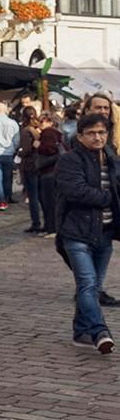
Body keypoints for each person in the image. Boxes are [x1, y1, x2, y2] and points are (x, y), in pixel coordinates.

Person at [54, 113, 119, 354]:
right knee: (88, 284)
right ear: (80, 136)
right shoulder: (70, 160)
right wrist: (107, 199)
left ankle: (81, 332)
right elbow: (75, 191)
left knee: (93, 286)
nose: (97, 137)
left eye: (101, 132)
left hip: (104, 233)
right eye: (91, 133)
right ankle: (100, 331)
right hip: (76, 232)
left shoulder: (111, 159)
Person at [17, 107, 44, 232]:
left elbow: (26, 150)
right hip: (40, 164)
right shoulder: (38, 129)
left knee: (33, 195)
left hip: (30, 165)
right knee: (41, 195)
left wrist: (19, 153)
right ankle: (46, 221)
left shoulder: (26, 130)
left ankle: (36, 223)